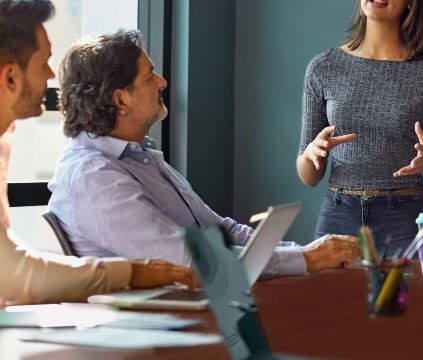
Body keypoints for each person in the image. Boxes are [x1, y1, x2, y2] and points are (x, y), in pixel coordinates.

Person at [47, 30, 358, 277]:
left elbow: (220, 231)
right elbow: (189, 260)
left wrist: (308, 253)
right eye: (149, 76)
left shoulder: (141, 156)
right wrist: (303, 259)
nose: (162, 82)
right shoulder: (93, 177)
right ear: (121, 100)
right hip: (160, 330)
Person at [0, 0, 195, 304]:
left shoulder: (4, 140)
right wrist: (131, 273)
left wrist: (131, 272)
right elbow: (16, 277)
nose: (52, 76)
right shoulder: (91, 172)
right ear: (10, 78)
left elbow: (12, 264)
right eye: (43, 63)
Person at [297, 0, 423, 255]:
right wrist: (312, 154)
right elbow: (308, 176)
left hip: (405, 216)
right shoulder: (323, 67)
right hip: (337, 213)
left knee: (406, 305)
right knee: (330, 304)